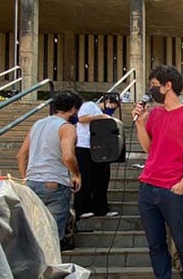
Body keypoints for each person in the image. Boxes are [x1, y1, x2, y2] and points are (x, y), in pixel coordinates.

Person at [132, 66, 183, 279]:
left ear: (168, 86)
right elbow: (149, 149)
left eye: (154, 85)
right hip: (148, 186)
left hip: (174, 189)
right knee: (155, 245)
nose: (151, 90)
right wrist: (139, 123)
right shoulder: (154, 115)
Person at [17, 90, 83, 243]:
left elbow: (21, 155)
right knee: (51, 238)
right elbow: (68, 156)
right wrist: (76, 174)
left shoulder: (38, 124)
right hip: (55, 183)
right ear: (73, 109)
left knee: (32, 235)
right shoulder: (67, 128)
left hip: (32, 183)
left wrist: (25, 177)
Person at [75, 93, 120, 219]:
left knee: (102, 179)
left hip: (100, 148)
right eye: (111, 105)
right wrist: (101, 116)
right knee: (86, 179)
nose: (111, 108)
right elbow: (82, 118)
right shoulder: (90, 106)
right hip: (85, 146)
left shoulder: (103, 113)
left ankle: (101, 208)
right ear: (106, 101)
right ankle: (82, 208)